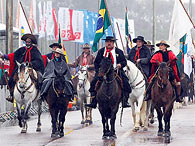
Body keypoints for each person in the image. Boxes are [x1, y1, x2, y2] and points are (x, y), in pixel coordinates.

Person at [85, 36, 131, 108]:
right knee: (93, 82)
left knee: (126, 82)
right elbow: (96, 63)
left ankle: (125, 101)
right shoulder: (101, 51)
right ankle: (93, 101)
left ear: (113, 43)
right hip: (102, 72)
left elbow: (124, 62)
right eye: (107, 42)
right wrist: (98, 71)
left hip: (116, 71)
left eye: (110, 42)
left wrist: (120, 65)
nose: (109, 43)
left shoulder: (119, 51)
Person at [0, 33, 44, 103]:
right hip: (22, 68)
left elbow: (39, 61)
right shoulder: (22, 49)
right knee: (12, 78)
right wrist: (4, 56)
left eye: (29, 42)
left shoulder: (35, 50)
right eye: (26, 42)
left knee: (40, 78)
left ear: (31, 43)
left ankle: (41, 95)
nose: (27, 43)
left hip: (33, 68)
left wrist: (31, 63)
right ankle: (11, 95)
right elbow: (13, 55)